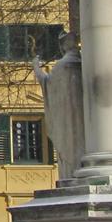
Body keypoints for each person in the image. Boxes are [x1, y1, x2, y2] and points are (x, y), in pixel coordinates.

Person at [31, 34, 85, 180]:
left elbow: (47, 84)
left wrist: (36, 67)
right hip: (84, 118)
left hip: (68, 119)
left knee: (70, 145)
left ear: (64, 46)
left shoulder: (62, 66)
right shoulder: (86, 64)